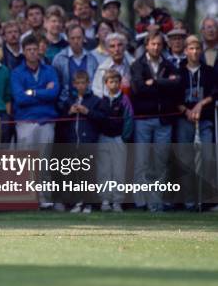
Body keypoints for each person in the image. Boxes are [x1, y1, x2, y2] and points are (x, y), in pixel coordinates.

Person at [130, 31, 180, 211]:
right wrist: (164, 83)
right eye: (153, 44)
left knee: (161, 162)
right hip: (143, 119)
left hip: (163, 120)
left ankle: (156, 203)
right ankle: (140, 202)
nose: (156, 47)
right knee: (141, 161)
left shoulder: (168, 64)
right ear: (147, 45)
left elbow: (177, 85)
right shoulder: (137, 65)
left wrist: (156, 82)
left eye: (159, 44)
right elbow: (139, 89)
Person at [11, 35, 60, 210]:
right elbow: (19, 98)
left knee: (45, 162)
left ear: (40, 50)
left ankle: (45, 199)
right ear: (24, 52)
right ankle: (26, 199)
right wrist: (40, 93)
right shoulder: (17, 72)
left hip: (46, 121)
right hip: (26, 122)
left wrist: (31, 92)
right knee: (26, 163)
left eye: (35, 49)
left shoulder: (50, 70)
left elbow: (54, 94)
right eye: (29, 49)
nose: (32, 53)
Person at [174, 35, 217, 210]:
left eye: (198, 48)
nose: (195, 52)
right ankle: (189, 201)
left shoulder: (209, 71)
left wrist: (200, 104)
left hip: (204, 120)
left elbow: (215, 92)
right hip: (184, 120)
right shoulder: (178, 71)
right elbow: (173, 97)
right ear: (185, 51)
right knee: (186, 160)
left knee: (207, 157)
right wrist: (187, 110)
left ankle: (206, 200)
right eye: (191, 48)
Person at [62, 70, 105, 214]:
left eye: (83, 83)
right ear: (74, 84)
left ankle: (88, 204)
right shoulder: (69, 100)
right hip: (73, 142)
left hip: (89, 142)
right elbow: (61, 118)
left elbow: (102, 117)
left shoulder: (95, 100)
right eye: (78, 83)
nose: (81, 86)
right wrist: (69, 112)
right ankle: (77, 202)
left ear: (88, 83)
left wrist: (87, 112)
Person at [96, 70, 134, 213]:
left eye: (117, 82)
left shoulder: (124, 100)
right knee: (104, 170)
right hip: (103, 138)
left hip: (118, 139)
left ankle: (117, 201)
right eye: (111, 82)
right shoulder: (101, 100)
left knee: (118, 170)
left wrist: (124, 137)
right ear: (106, 84)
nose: (114, 84)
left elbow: (129, 120)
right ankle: (105, 200)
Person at [52, 24, 99, 112]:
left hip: (88, 103)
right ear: (68, 39)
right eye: (72, 38)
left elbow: (96, 84)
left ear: (84, 38)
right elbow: (56, 84)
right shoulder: (59, 59)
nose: (76, 41)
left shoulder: (92, 59)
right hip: (66, 104)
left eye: (79, 38)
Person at [92, 33, 133, 98]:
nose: (116, 49)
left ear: (125, 47)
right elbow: (97, 92)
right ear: (107, 50)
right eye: (112, 46)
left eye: (120, 45)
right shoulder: (102, 69)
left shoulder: (133, 64)